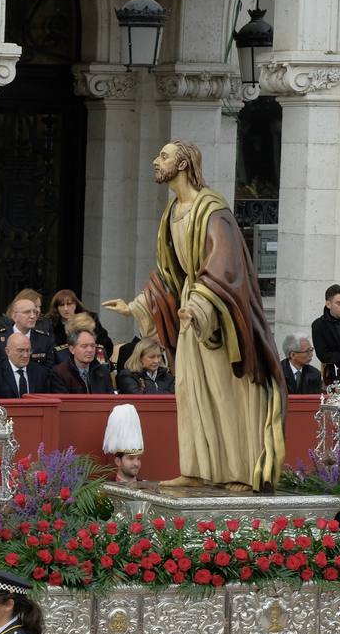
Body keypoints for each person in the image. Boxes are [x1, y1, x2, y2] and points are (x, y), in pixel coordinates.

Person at [104, 140, 285, 492]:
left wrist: (200, 305)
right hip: (192, 307)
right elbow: (169, 273)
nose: (156, 162)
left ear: (184, 164)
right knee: (190, 391)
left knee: (223, 392)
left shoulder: (213, 211)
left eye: (164, 157)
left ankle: (240, 471)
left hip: (218, 317)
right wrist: (138, 304)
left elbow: (224, 265)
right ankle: (197, 468)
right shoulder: (172, 212)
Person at [0, 291, 55, 372]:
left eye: (35, 312)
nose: (33, 316)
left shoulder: (44, 339)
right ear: (14, 316)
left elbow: (49, 369)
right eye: (27, 312)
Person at [46, 289, 113, 364]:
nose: (66, 308)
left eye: (69, 304)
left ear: (76, 305)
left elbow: (107, 345)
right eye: (61, 305)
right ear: (56, 308)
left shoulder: (90, 319)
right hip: (63, 362)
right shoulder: (50, 323)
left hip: (92, 360)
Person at [0, 331, 53, 399]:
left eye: (28, 350)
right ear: (7, 351)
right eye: (20, 351)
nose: (25, 355)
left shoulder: (40, 372)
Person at [103, 404, 145, 483]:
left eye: (138, 458)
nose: (136, 463)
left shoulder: (147, 489)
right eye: (131, 458)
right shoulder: (106, 489)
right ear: (118, 461)